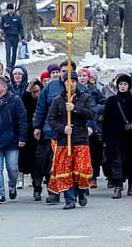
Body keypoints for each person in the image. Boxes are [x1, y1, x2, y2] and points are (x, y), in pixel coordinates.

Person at [33, 60, 87, 204]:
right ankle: (55, 192)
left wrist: (90, 126)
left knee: (75, 166)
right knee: (54, 164)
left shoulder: (82, 91)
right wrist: (37, 126)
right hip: (54, 133)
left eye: (69, 72)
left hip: (76, 135)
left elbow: (90, 111)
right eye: (63, 71)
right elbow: (42, 108)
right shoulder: (51, 87)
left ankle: (79, 191)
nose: (66, 76)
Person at [48, 71, 94, 209]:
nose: (70, 84)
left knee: (80, 169)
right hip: (64, 140)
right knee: (65, 169)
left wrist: (75, 109)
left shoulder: (85, 97)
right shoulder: (58, 100)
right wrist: (63, 128)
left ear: (76, 82)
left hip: (80, 139)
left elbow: (91, 114)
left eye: (73, 81)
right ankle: (70, 199)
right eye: (67, 82)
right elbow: (51, 119)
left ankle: (81, 191)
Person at [102, 74, 132, 199]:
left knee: (130, 162)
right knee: (116, 161)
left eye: (125, 84)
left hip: (131, 137)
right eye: (121, 84)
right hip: (114, 137)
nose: (122, 87)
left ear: (129, 86)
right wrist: (104, 138)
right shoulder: (111, 101)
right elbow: (106, 120)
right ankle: (117, 186)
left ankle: (131, 183)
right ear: (117, 85)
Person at [0, 76, 27, 203]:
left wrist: (22, 137)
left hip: (12, 140)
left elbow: (22, 119)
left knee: (12, 168)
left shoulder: (15, 100)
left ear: (4, 87)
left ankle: (12, 184)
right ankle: (0, 194)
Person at [78, 68, 106, 188]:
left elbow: (105, 104)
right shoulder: (74, 89)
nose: (82, 78)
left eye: (85, 76)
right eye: (80, 76)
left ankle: (93, 177)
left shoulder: (94, 89)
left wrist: (95, 110)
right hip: (79, 123)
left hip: (93, 125)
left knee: (93, 153)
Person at [20, 78, 44, 200]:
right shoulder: (28, 102)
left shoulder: (45, 101)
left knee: (44, 164)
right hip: (30, 137)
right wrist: (29, 87)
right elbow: (23, 98)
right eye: (34, 92)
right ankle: (37, 188)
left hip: (44, 136)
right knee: (34, 165)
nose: (36, 94)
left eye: (38, 91)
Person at [0, 3, 25, 69]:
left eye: (11, 9)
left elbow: (20, 27)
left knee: (14, 52)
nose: (10, 11)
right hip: (8, 36)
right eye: (8, 9)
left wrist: (22, 37)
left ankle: (12, 65)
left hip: (15, 37)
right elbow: (1, 26)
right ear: (7, 10)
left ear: (13, 10)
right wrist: (4, 26)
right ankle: (8, 66)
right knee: (8, 51)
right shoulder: (4, 17)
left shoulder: (17, 17)